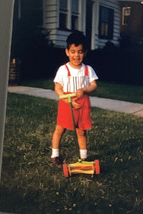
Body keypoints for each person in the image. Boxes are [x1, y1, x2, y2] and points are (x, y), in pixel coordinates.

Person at [51, 30, 98, 166]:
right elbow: (58, 88)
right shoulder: (63, 69)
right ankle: (55, 155)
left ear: (85, 52)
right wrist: (66, 99)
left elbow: (94, 86)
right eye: (73, 51)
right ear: (67, 52)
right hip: (67, 102)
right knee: (60, 129)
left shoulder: (88, 69)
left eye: (80, 51)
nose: (76, 55)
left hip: (83, 104)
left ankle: (83, 157)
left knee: (81, 131)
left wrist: (84, 89)